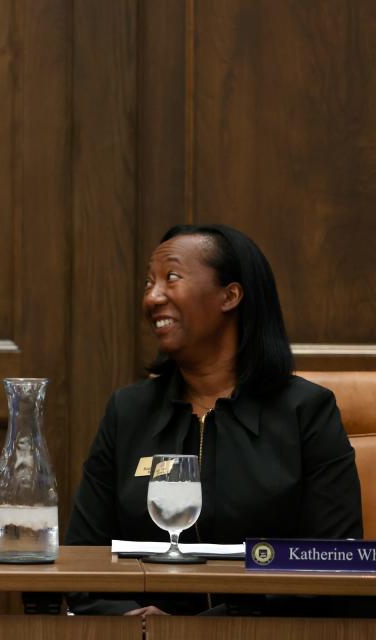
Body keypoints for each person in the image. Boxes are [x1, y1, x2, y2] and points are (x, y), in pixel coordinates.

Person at [65, 224, 362, 615]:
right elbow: (80, 564)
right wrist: (130, 620)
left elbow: (334, 566)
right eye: (148, 282)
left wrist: (202, 627)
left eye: (171, 277)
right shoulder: (128, 411)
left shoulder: (306, 411)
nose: (153, 296)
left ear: (230, 295)